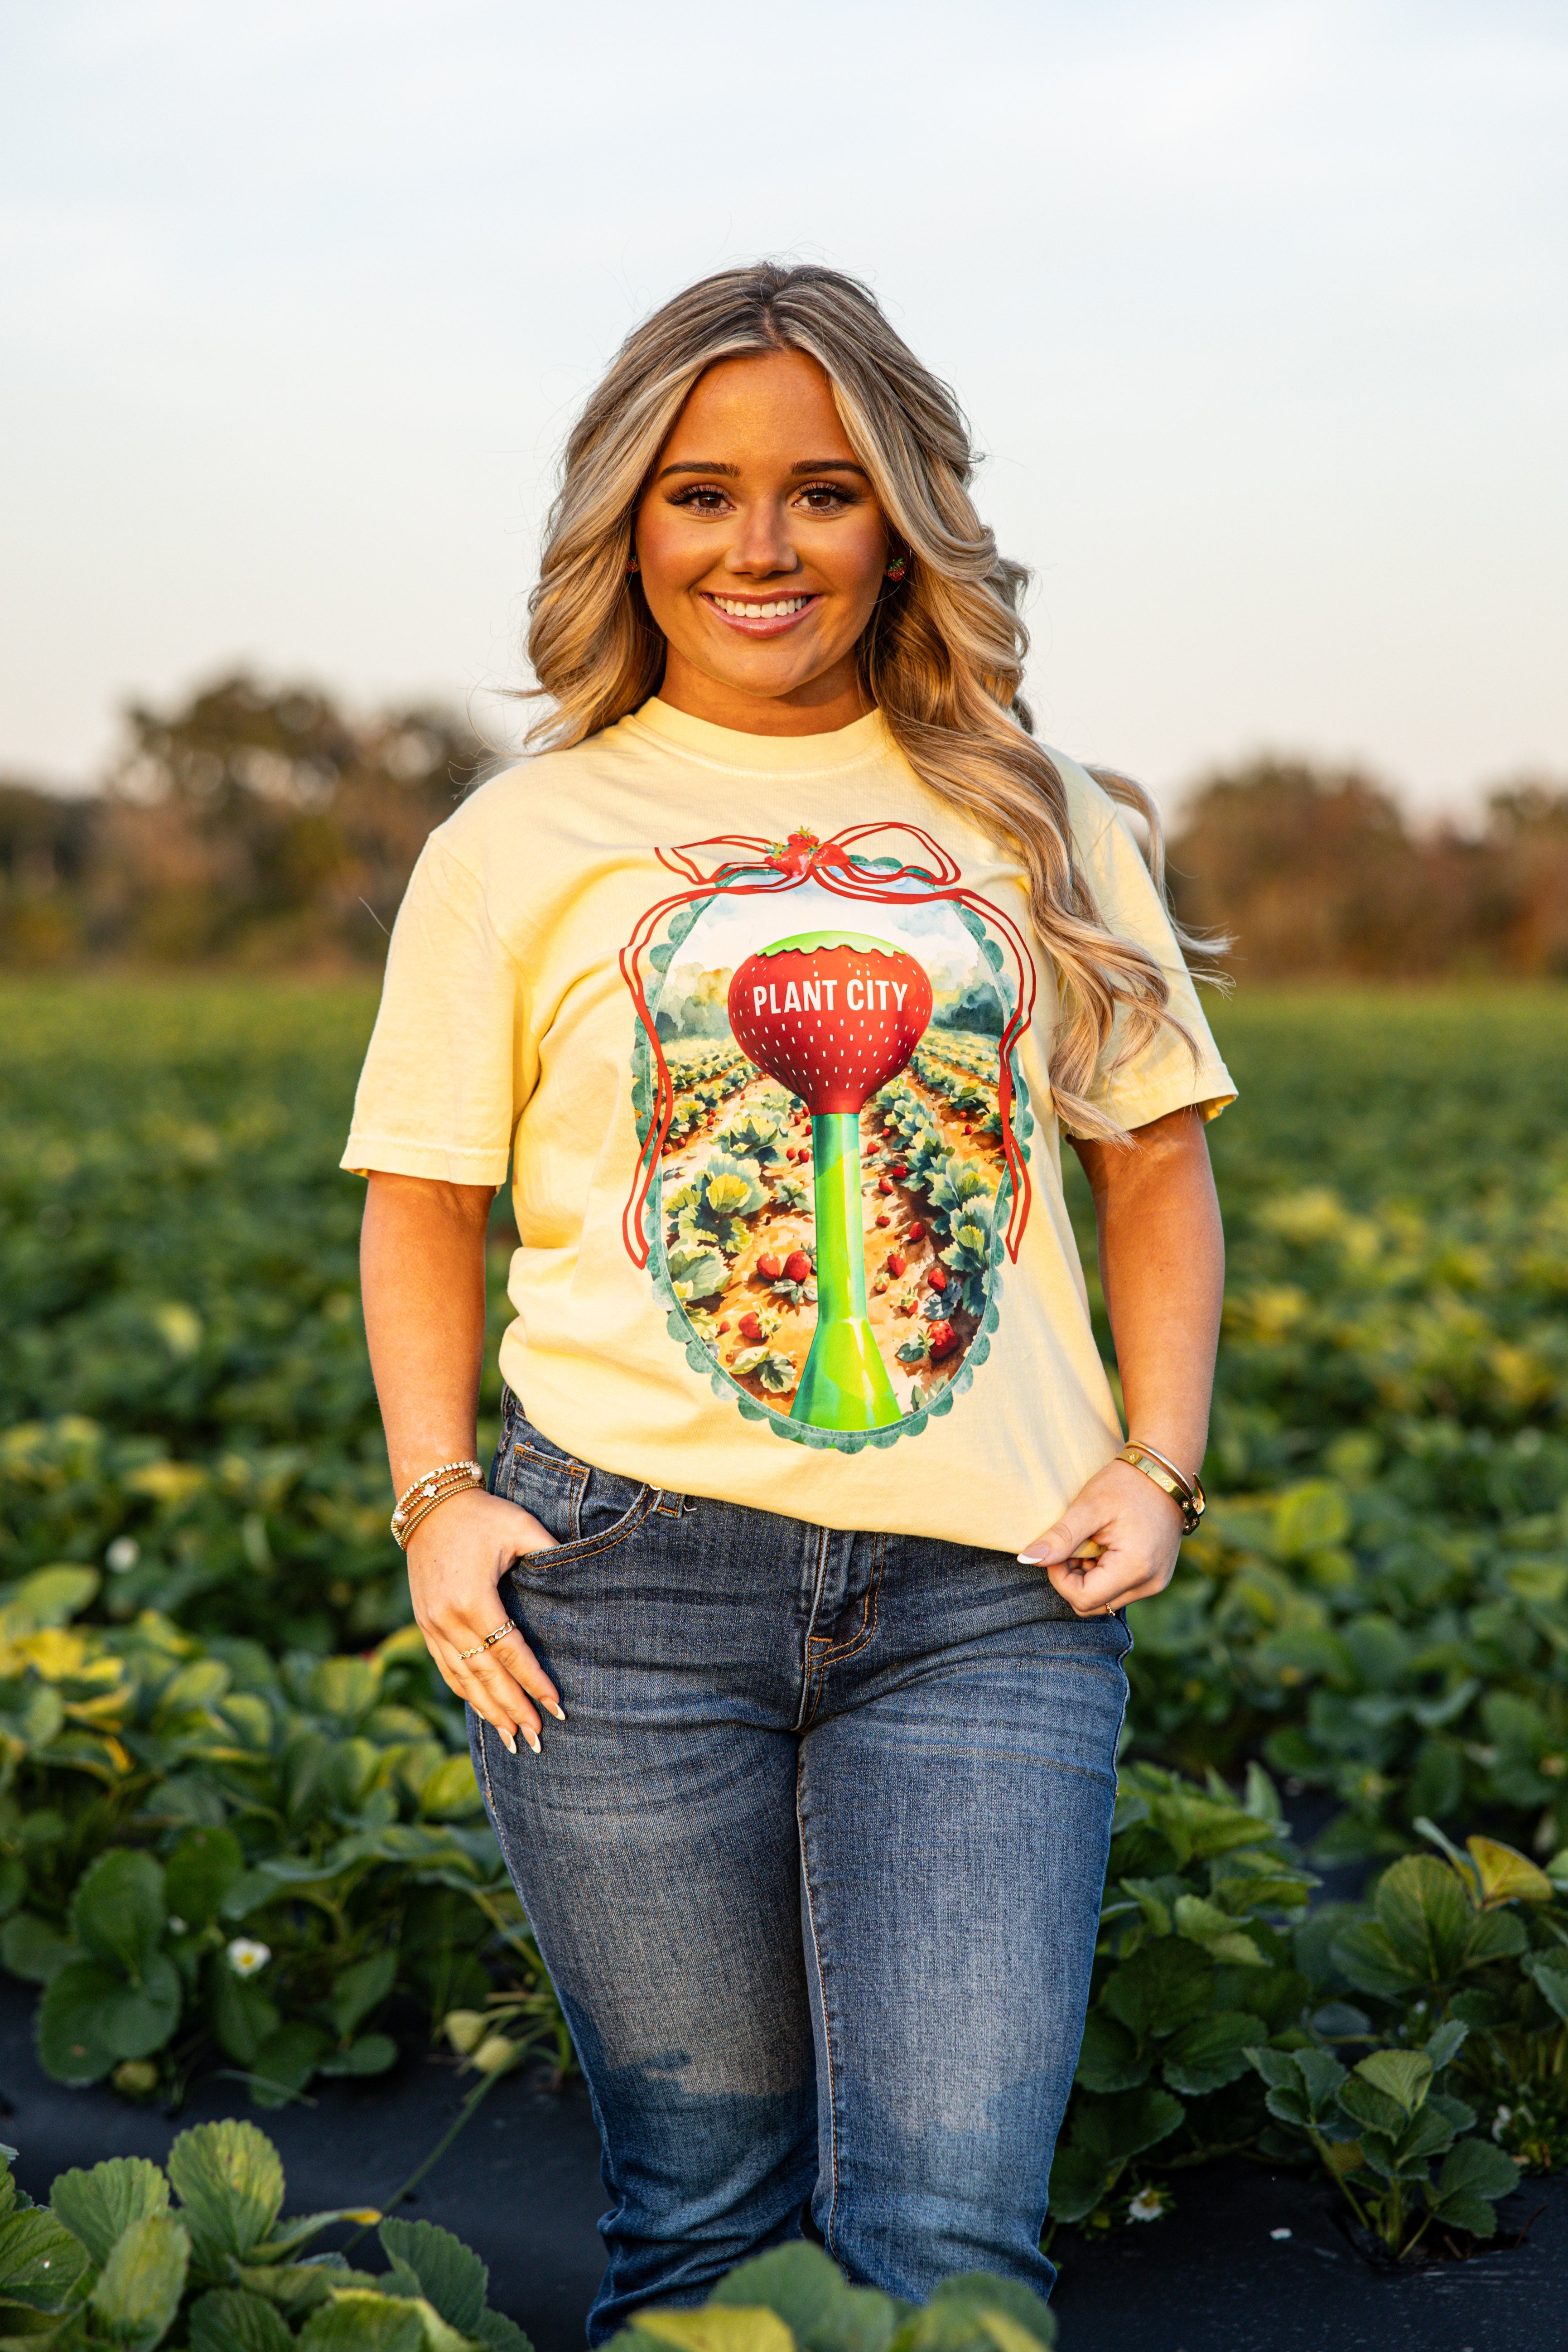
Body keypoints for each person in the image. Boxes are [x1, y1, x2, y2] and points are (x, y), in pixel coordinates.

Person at [345, 261, 1232, 2341]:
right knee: (703, 2230)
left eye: (823, 491)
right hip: (617, 1589)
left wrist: (1160, 1463)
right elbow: (419, 1202)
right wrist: (432, 1493)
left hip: (991, 1602)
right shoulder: (520, 839)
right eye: (700, 492)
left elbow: (1157, 1160)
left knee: (951, 2246)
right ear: (625, 527)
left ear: (900, 514)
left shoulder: (1038, 811)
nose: (760, 546)